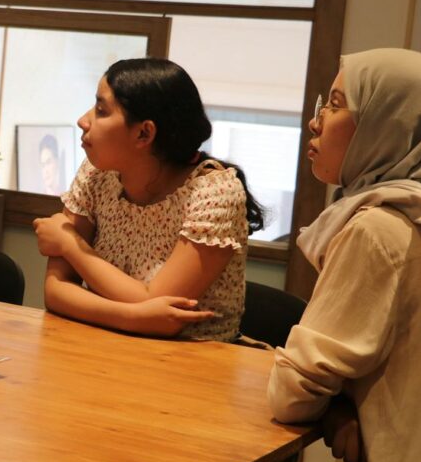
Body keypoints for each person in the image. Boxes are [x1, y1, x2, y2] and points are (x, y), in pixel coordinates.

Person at [267, 48, 421, 462]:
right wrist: (342, 400)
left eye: (336, 103)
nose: (317, 120)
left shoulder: (379, 230)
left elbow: (292, 394)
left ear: (388, 124)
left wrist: (331, 405)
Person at [34, 58, 264, 340]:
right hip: (108, 345)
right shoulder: (96, 173)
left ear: (144, 133)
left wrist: (71, 244)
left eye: (101, 110)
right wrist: (136, 317)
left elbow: (159, 307)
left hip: (195, 362)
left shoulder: (214, 192)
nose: (83, 120)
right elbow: (56, 292)